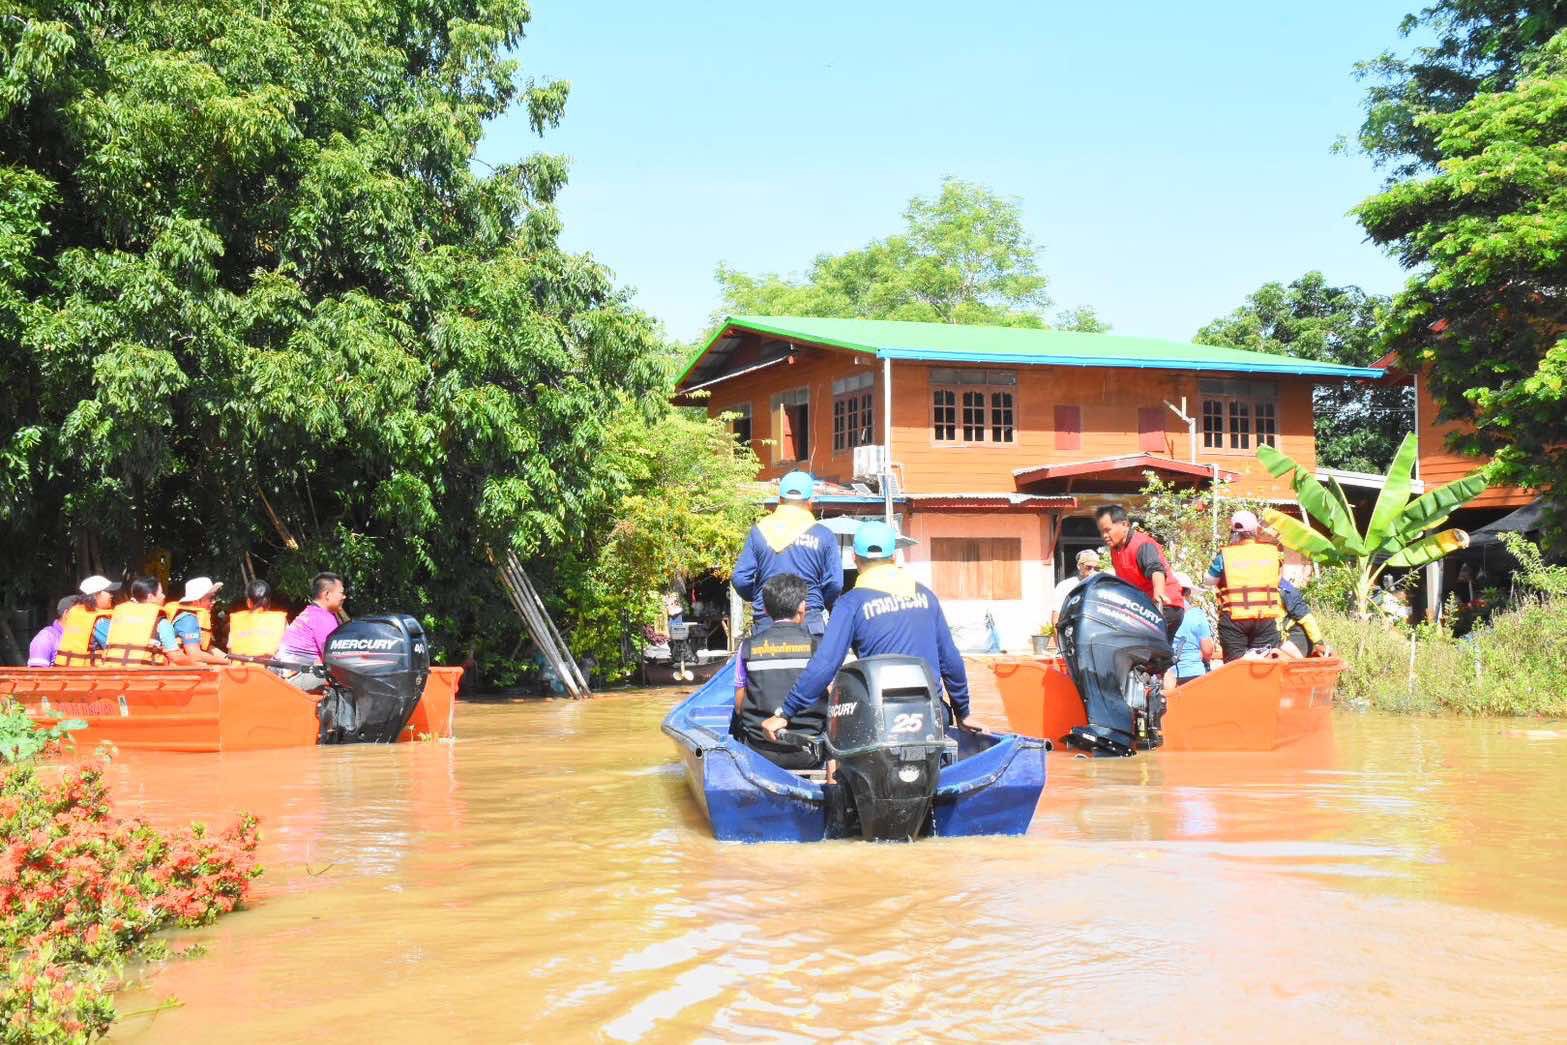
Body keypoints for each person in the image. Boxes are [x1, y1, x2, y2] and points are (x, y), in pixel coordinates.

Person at [761, 520, 979, 740]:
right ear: (894, 557)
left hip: (880, 718)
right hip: (931, 714)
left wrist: (786, 711)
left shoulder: (851, 603)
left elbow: (826, 663)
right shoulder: (926, 596)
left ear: (855, 559)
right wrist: (963, 711)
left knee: (835, 745)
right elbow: (950, 659)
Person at [731, 471, 842, 636]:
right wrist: (816, 602)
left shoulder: (759, 532)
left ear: (779, 501)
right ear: (810, 503)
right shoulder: (824, 535)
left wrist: (762, 597)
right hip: (808, 619)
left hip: (767, 621)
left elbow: (740, 579)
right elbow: (835, 584)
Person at [732, 573, 824, 769]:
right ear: (802, 607)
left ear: (765, 610)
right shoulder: (819, 647)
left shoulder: (747, 647)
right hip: (808, 754)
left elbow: (739, 707)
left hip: (760, 751)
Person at [1095, 504, 1185, 641]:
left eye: (1108, 530)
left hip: (1165, 606)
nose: (1104, 535)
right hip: (1143, 607)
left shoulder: (1141, 544)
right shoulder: (1115, 551)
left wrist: (1159, 592)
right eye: (1102, 532)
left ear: (1125, 524)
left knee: (1140, 647)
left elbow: (1156, 569)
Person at [1204, 510, 1283, 661]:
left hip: (1234, 620)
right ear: (1255, 530)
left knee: (1235, 667)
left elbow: (1209, 581)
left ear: (1234, 532)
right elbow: (1278, 578)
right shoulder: (1273, 553)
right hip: (1265, 618)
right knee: (1266, 664)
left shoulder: (1225, 556)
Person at [271, 572, 346, 692]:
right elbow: (335, 658)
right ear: (327, 594)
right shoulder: (322, 618)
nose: (344, 597)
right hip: (295, 679)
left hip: (286, 675)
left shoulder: (312, 612)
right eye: (341, 593)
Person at [101, 577, 180, 666]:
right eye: (161, 593)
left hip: (114, 672)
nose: (164, 596)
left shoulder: (118, 615)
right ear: (150, 597)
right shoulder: (161, 621)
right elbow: (175, 657)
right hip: (144, 675)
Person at [55, 576, 121, 666]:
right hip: (90, 674)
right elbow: (117, 647)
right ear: (96, 595)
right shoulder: (99, 621)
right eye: (108, 592)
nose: (111, 595)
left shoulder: (76, 613)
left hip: (71, 670)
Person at [165, 577, 230, 665]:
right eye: (211, 598)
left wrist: (230, 658)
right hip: (181, 673)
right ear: (196, 602)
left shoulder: (193, 617)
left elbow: (206, 647)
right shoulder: (188, 620)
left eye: (214, 597)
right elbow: (195, 655)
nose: (214, 602)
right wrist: (227, 662)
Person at [1169, 573, 1215, 686]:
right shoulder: (1197, 615)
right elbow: (1207, 651)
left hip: (1169, 674)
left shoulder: (1163, 614)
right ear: (1188, 593)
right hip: (1194, 673)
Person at [228, 579, 289, 659]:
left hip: (240, 669)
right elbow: (288, 650)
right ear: (269, 602)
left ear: (249, 602)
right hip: (268, 670)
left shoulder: (237, 620)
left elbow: (230, 652)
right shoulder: (280, 619)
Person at [1050, 549, 1102, 635]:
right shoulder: (1065, 586)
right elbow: (1056, 619)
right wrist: (1059, 646)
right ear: (1079, 566)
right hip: (1072, 634)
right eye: (1089, 567)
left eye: (1096, 568)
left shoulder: (1100, 585)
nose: (1093, 571)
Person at [1277, 579, 1331, 659]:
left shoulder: (1285, 590)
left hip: (1294, 639)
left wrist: (1318, 643)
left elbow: (1306, 618)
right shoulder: (1255, 589)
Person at [27, 596, 78, 667]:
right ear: (66, 614)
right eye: (82, 614)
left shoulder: (85, 637)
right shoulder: (46, 637)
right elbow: (37, 674)